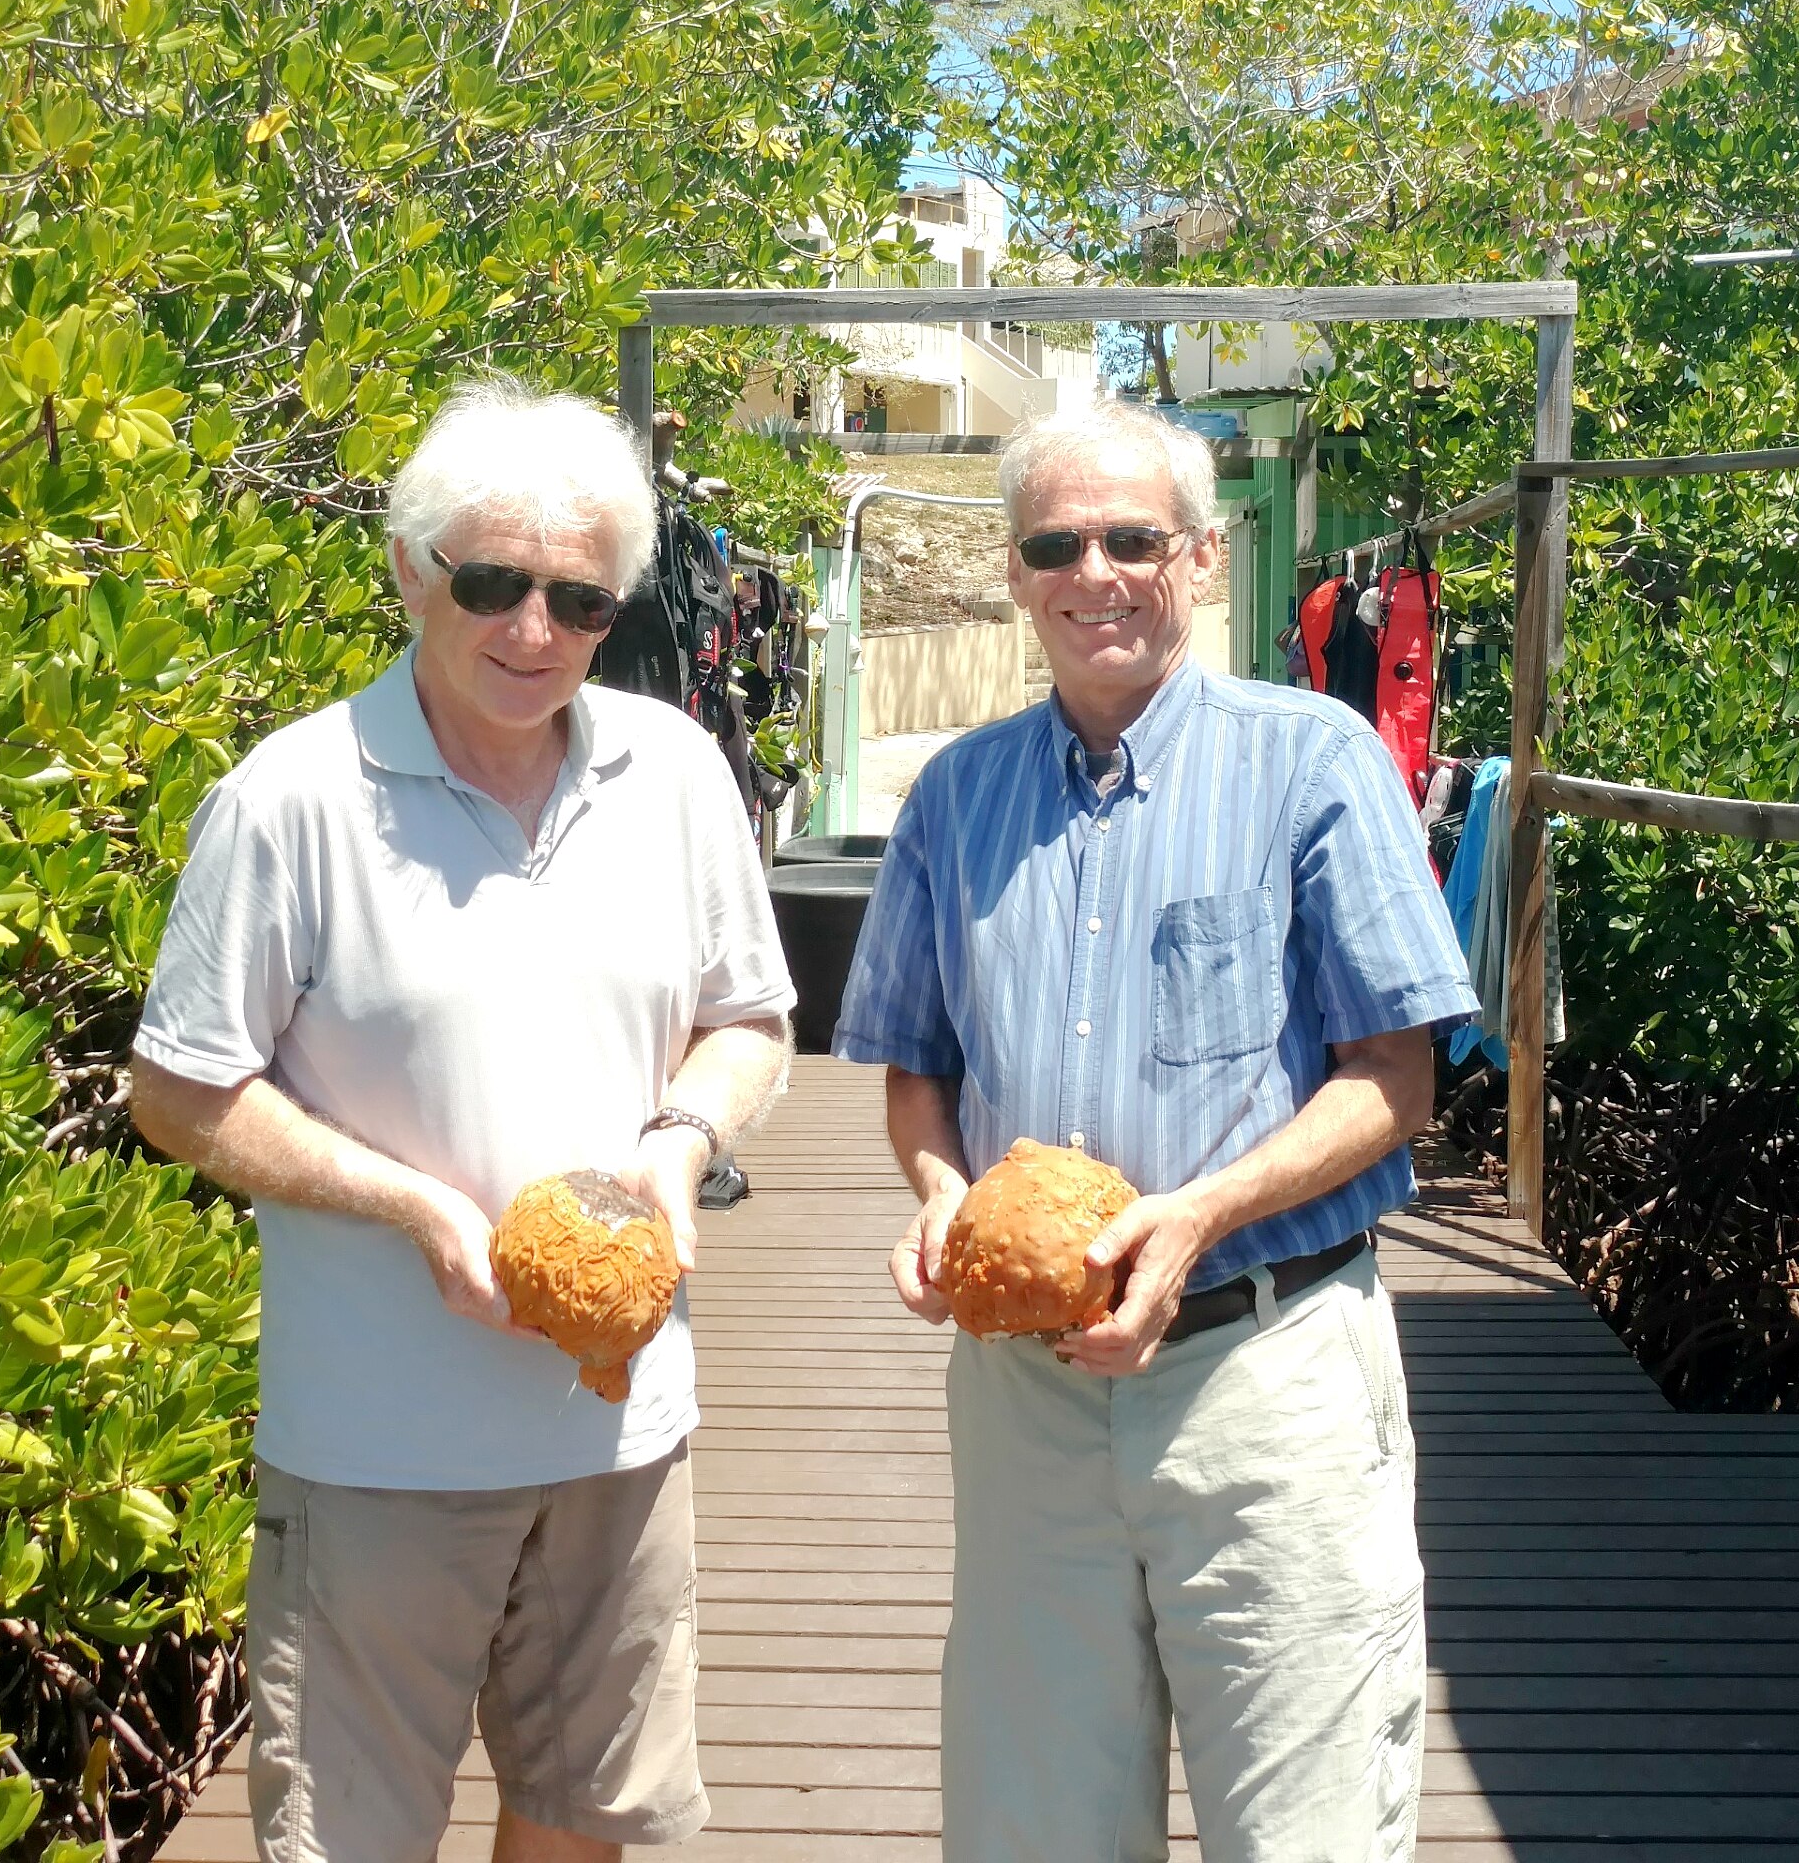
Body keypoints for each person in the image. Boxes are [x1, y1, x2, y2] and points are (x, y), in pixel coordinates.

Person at [127, 381, 796, 1863]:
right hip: (378, 1439)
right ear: (411, 569)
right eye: (492, 583)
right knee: (351, 1837)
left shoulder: (674, 772)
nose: (533, 630)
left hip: (622, 1427)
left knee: (580, 1822)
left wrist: (680, 1142)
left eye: (580, 598)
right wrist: (416, 1209)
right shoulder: (292, 798)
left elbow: (749, 1017)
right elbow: (177, 1091)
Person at [832, 401, 1476, 1862]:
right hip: (1026, 1404)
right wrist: (941, 1194)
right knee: (1031, 1827)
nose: (1096, 572)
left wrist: (1197, 1218)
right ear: (1017, 573)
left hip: (1264, 1376)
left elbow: (1397, 1078)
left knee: (1304, 1826)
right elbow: (914, 1071)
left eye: (1132, 538)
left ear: (1196, 555)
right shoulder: (955, 796)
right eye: (1058, 543)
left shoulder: (1312, 763)